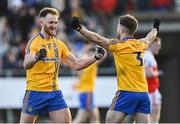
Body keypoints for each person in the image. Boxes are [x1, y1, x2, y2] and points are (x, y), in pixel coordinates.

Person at [20, 7, 105, 123]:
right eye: (51, 22)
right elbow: (26, 64)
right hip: (35, 93)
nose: (54, 25)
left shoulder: (59, 44)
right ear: (41, 22)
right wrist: (37, 57)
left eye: (55, 22)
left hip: (54, 94)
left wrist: (95, 57)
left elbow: (76, 64)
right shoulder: (34, 42)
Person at [70, 14, 160, 123]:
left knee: (110, 121)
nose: (117, 29)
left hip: (127, 92)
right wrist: (155, 28)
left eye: (118, 26)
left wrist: (79, 28)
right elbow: (150, 37)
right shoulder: (141, 44)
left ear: (121, 30)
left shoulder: (118, 45)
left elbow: (96, 38)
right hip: (143, 94)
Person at [72, 44, 102, 123]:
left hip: (85, 92)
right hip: (87, 92)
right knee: (82, 118)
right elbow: (102, 56)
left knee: (94, 116)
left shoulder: (82, 62)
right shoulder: (91, 63)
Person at [144, 36, 162, 123]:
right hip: (151, 91)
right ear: (151, 44)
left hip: (150, 90)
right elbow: (147, 73)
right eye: (157, 45)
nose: (159, 47)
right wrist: (159, 73)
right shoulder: (148, 56)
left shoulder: (148, 55)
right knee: (154, 117)